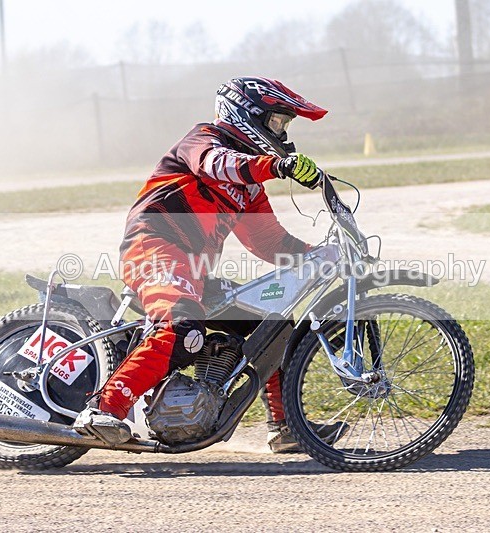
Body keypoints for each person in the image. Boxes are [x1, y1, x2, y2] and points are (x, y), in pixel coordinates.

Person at [74, 76, 346, 452]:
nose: (282, 132)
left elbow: (269, 242)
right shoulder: (203, 139)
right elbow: (218, 164)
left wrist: (323, 255)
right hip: (153, 248)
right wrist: (276, 166)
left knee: (271, 323)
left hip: (193, 272)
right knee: (183, 328)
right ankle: (105, 410)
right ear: (247, 115)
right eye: (277, 122)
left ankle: (285, 428)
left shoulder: (249, 187)